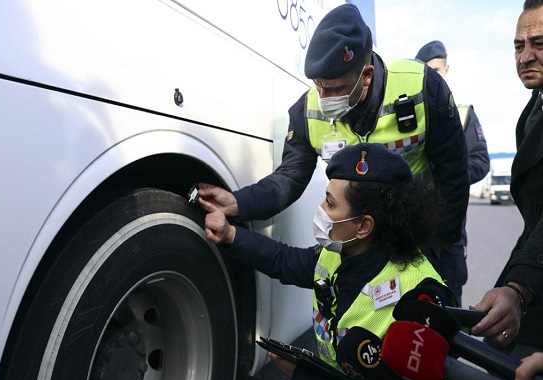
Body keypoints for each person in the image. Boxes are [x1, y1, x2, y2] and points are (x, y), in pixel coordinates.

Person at [197, 4, 470, 282]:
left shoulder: (423, 88)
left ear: (366, 76)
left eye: (336, 89)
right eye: (319, 85)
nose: (324, 97)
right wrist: (237, 202)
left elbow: (454, 176)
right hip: (362, 241)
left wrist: (436, 247)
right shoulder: (306, 111)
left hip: (426, 236)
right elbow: (288, 180)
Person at [201, 142, 456, 380]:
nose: (321, 209)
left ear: (363, 226)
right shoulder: (340, 254)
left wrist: (304, 378)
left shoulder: (422, 297)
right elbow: (284, 261)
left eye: (330, 203)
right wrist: (230, 234)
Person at [470, 0, 543, 359]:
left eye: (539, 44)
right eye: (519, 45)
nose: (525, 56)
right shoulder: (531, 111)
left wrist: (517, 288)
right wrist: (503, 289)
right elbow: (533, 223)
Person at [414, 40, 491, 306]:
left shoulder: (463, 110)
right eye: (427, 70)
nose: (432, 75)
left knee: (449, 306)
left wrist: (450, 176)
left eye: (437, 69)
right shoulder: (407, 110)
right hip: (410, 229)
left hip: (449, 227)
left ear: (446, 69)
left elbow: (481, 161)